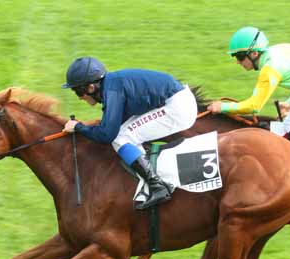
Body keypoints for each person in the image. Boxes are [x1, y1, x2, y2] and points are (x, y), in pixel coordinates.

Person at [62, 57, 198, 210]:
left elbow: (107, 135)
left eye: (77, 91)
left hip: (177, 108)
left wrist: (79, 127)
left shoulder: (112, 90)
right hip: (175, 101)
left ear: (91, 87)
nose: (79, 98)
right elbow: (111, 125)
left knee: (121, 138)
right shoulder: (111, 84)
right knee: (122, 133)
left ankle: (157, 186)